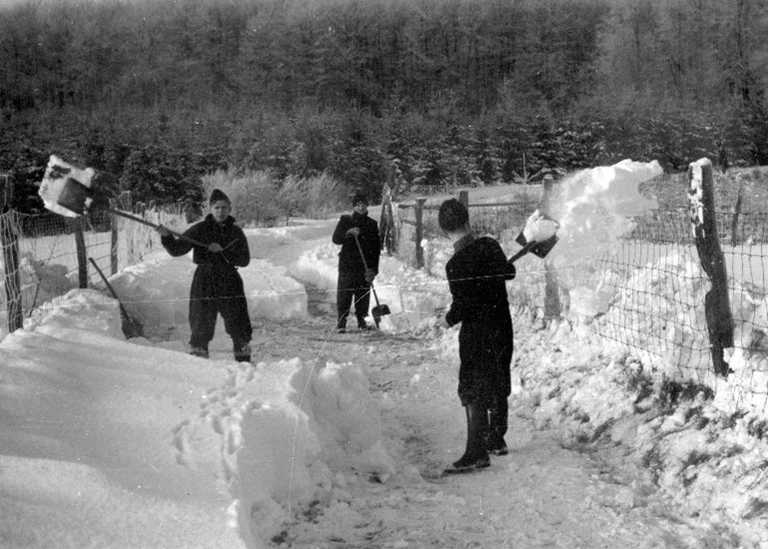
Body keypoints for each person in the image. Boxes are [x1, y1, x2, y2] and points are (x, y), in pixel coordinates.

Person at [438, 198, 516, 474]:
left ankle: (476, 452)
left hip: (477, 332)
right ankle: (496, 438)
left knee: (472, 385)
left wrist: (447, 320)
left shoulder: (455, 264)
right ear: (468, 221)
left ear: (445, 232)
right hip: (502, 326)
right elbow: (510, 271)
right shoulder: (491, 245)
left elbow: (465, 304)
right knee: (498, 377)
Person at [157, 189, 253, 362]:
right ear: (210, 208)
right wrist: (167, 237)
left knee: (238, 321)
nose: (220, 211)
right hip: (205, 279)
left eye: (224, 207)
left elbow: (245, 260)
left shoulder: (236, 233)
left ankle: (243, 359)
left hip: (229, 280)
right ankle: (200, 360)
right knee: (201, 320)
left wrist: (223, 253)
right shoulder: (199, 230)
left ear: (229, 208)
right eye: (217, 207)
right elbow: (177, 250)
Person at [332, 192, 380, 333]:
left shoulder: (372, 224)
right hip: (347, 265)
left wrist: (373, 270)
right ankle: (341, 323)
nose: (361, 207)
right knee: (344, 295)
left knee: (362, 295)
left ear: (367, 205)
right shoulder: (346, 221)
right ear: (354, 206)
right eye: (358, 204)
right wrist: (348, 232)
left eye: (363, 204)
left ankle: (362, 322)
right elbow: (336, 239)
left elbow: (376, 249)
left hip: (364, 267)